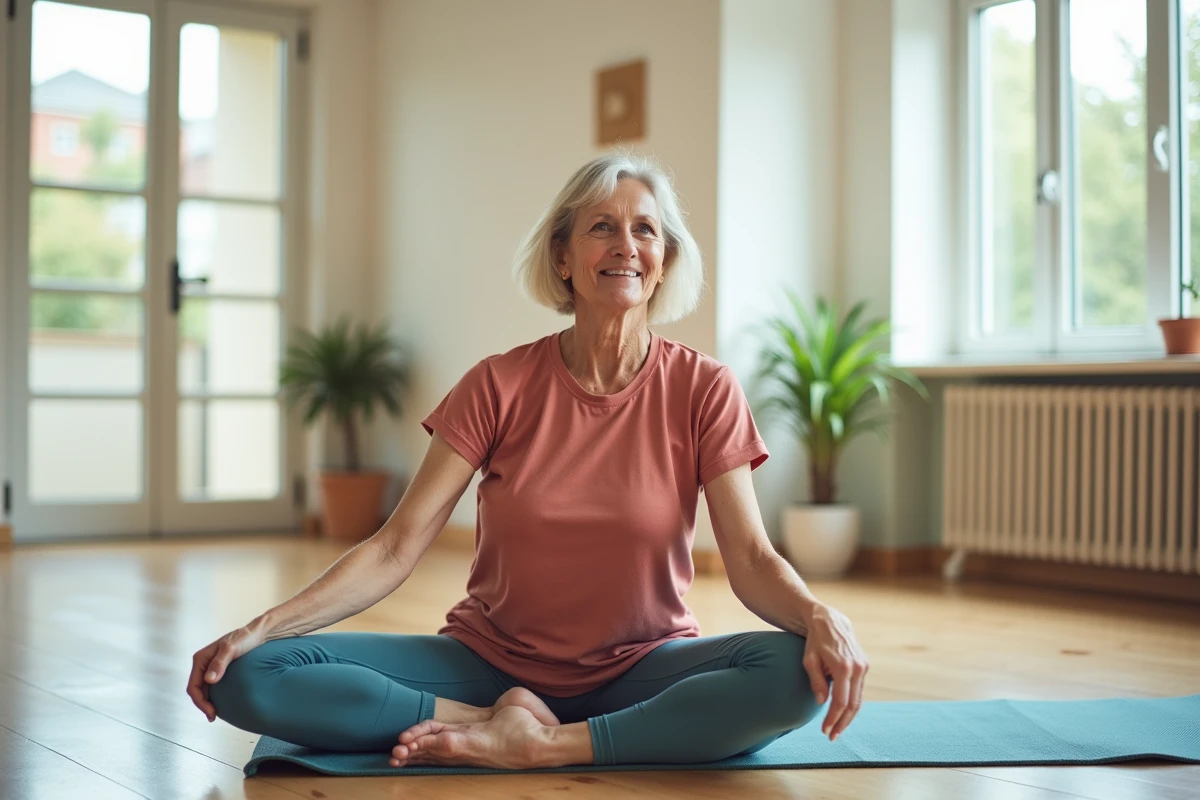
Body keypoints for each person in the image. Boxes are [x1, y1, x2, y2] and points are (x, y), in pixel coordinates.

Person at [187, 152, 869, 771]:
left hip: (642, 666)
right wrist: (260, 627)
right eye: (602, 227)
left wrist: (818, 616)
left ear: (663, 262)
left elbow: (749, 559)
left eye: (645, 230)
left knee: (793, 670)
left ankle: (548, 743)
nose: (626, 246)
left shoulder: (704, 389)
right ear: (564, 257)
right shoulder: (498, 384)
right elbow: (396, 547)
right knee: (249, 674)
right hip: (487, 664)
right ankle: (490, 723)